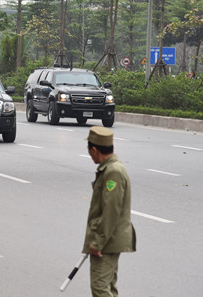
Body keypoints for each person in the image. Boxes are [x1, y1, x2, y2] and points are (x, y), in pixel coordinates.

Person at [83, 126, 136, 297]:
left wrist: (98, 242)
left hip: (107, 241)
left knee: (100, 287)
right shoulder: (111, 168)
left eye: (89, 151)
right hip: (110, 238)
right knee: (109, 285)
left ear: (94, 150)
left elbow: (111, 210)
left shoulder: (113, 172)